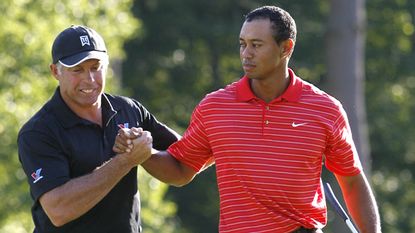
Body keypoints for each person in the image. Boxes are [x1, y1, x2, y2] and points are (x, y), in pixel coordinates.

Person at [115, 5, 381, 233]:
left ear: (285, 48)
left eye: (256, 45)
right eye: (242, 44)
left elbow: (352, 182)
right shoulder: (215, 107)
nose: (246, 53)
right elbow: (181, 170)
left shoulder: (325, 110)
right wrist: (143, 153)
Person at [17, 25, 180, 233]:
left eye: (96, 67)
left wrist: (145, 151)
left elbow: (182, 167)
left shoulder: (128, 110)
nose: (90, 79)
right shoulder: (38, 132)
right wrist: (125, 160)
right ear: (55, 71)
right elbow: (59, 210)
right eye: (77, 69)